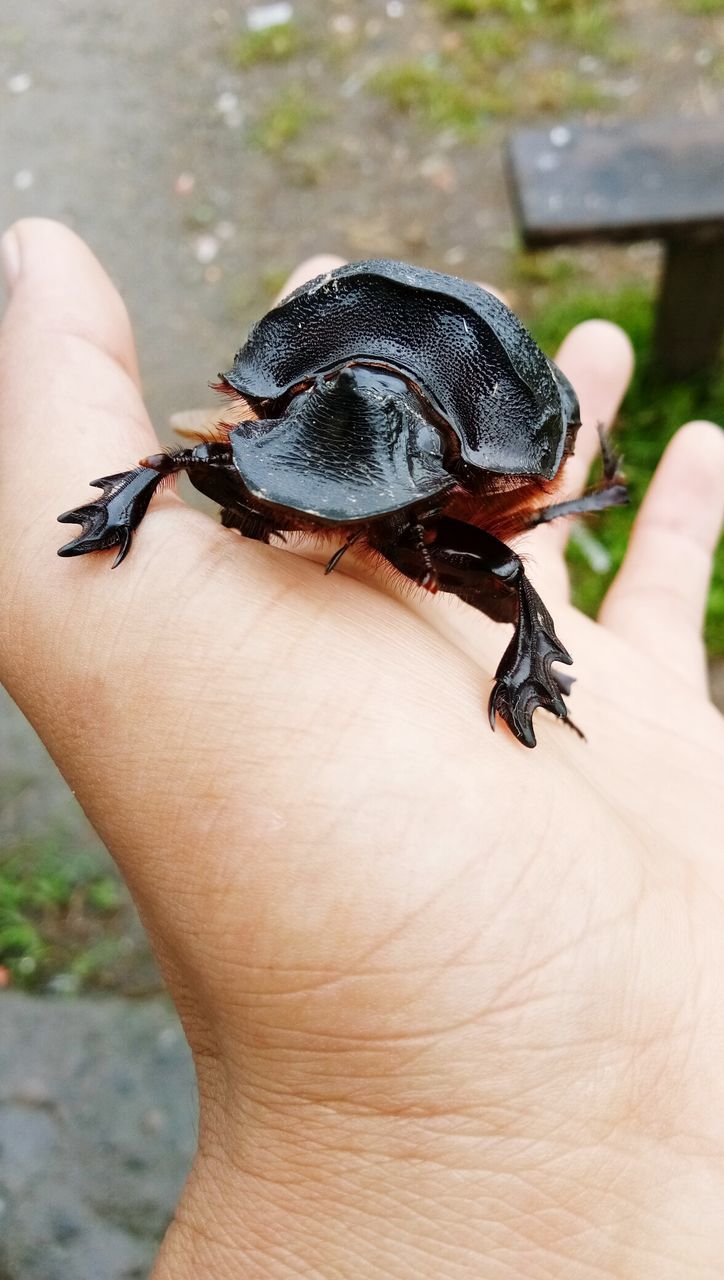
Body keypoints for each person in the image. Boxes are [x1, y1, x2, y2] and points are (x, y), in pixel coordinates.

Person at [1, 218, 723, 1279]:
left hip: (448, 403)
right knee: (189, 467)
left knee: (512, 588)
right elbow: (190, 457)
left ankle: (527, 676)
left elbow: (512, 568)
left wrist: (524, 662)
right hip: (330, 362)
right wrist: (139, 496)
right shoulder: (275, 414)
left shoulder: (484, 487)